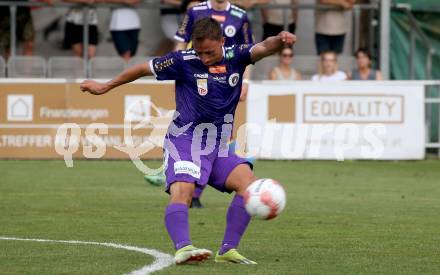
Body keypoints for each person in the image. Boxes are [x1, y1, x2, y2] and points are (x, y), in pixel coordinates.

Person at [80, 17, 296, 265]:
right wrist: (105, 86)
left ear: (222, 42)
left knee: (248, 186)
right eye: (199, 51)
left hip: (216, 144)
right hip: (185, 139)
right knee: (183, 190)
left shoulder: (236, 56)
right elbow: (142, 68)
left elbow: (264, 47)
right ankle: (183, 248)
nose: (203, 58)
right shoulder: (182, 61)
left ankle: (227, 250)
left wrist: (280, 40)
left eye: (209, 52)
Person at [148, 0, 254, 208]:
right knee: (192, 130)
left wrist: (246, 81)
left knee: (222, 134)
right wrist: (178, 74)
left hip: (227, 82)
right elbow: (180, 42)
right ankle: (186, 181)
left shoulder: (240, 15)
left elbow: (248, 52)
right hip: (195, 77)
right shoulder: (195, 11)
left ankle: (195, 187)